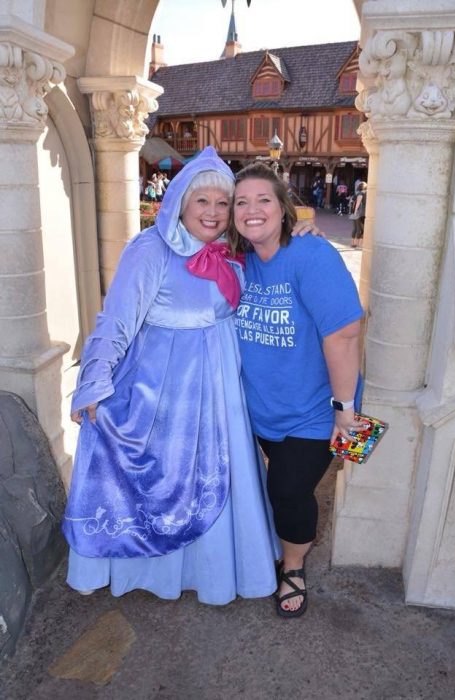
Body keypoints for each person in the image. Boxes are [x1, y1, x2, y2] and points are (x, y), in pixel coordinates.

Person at [62, 146, 281, 605]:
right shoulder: (150, 248)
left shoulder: (231, 251)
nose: (214, 212)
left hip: (221, 388)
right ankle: (155, 572)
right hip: (165, 389)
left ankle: (213, 571)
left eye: (224, 203)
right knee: (163, 480)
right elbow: (116, 319)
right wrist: (95, 381)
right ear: (181, 201)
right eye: (203, 201)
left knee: (223, 476)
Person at [229, 162, 365, 618]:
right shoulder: (237, 259)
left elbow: (345, 332)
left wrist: (346, 412)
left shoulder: (312, 256)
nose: (252, 210)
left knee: (287, 489)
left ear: (284, 208)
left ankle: (293, 567)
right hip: (257, 410)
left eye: (264, 199)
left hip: (314, 412)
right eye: (241, 202)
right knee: (265, 487)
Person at [351, 181, 367, 249]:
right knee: (360, 229)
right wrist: (355, 212)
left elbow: (352, 201)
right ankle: (357, 244)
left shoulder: (356, 193)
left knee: (355, 228)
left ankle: (353, 243)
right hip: (360, 213)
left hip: (356, 213)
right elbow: (358, 203)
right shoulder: (361, 194)